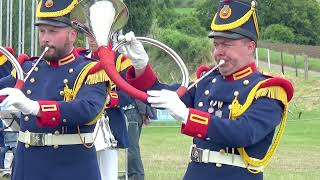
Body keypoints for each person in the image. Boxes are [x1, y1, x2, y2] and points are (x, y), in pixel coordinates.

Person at [119, 0, 294, 179]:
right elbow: (160, 93)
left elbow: (244, 132)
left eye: (226, 45)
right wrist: (141, 65)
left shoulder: (268, 90)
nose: (218, 52)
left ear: (250, 47)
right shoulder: (208, 81)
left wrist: (188, 116)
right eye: (216, 45)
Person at [0, 1, 115, 179]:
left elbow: (88, 109)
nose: (45, 38)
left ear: (72, 35)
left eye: (53, 31)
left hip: (70, 169)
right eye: (42, 31)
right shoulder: (27, 68)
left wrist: (36, 108)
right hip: (27, 168)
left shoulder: (90, 70)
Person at [78, 37, 129, 180]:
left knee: (107, 174)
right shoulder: (80, 57)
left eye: (95, 36)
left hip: (108, 123)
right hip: (82, 121)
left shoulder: (120, 60)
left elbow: (129, 92)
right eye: (89, 35)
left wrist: (107, 98)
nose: (92, 39)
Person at [119, 86, 156, 180]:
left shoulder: (129, 76)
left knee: (131, 147)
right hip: (133, 113)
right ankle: (131, 173)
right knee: (131, 147)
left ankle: (136, 175)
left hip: (132, 113)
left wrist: (144, 113)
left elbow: (138, 94)